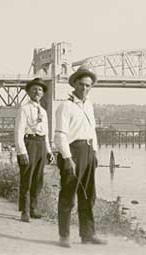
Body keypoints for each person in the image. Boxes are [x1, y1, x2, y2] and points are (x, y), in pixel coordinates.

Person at [54, 66, 106, 248]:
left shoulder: (89, 106)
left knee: (89, 195)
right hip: (73, 151)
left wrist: (96, 152)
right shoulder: (65, 106)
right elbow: (60, 135)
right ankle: (64, 236)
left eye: (88, 86)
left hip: (89, 152)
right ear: (75, 83)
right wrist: (67, 158)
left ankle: (88, 234)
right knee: (68, 194)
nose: (84, 89)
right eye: (82, 84)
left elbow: (92, 131)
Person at [14, 78, 55, 222]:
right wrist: (22, 151)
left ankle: (33, 208)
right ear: (28, 92)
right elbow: (18, 132)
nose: (37, 92)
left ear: (43, 93)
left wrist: (49, 151)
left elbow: (46, 132)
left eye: (40, 90)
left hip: (41, 144)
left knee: (38, 179)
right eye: (34, 89)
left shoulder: (43, 111)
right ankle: (24, 211)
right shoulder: (23, 109)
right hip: (29, 143)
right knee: (27, 178)